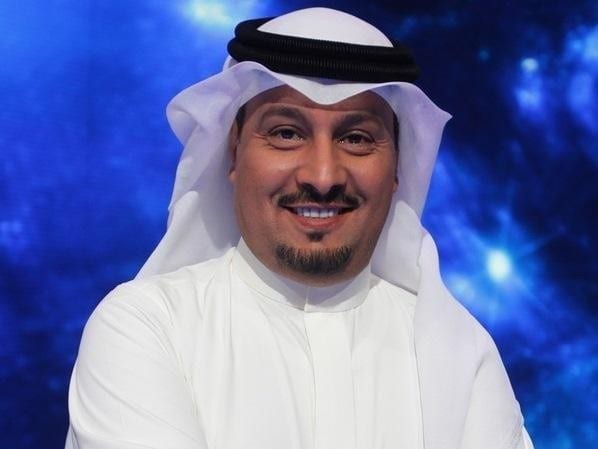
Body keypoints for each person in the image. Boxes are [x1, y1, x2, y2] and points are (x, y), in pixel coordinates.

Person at [65, 7, 534, 449]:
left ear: (397, 167)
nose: (323, 176)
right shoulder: (144, 327)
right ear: (233, 153)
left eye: (356, 138)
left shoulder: (463, 355)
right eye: (286, 134)